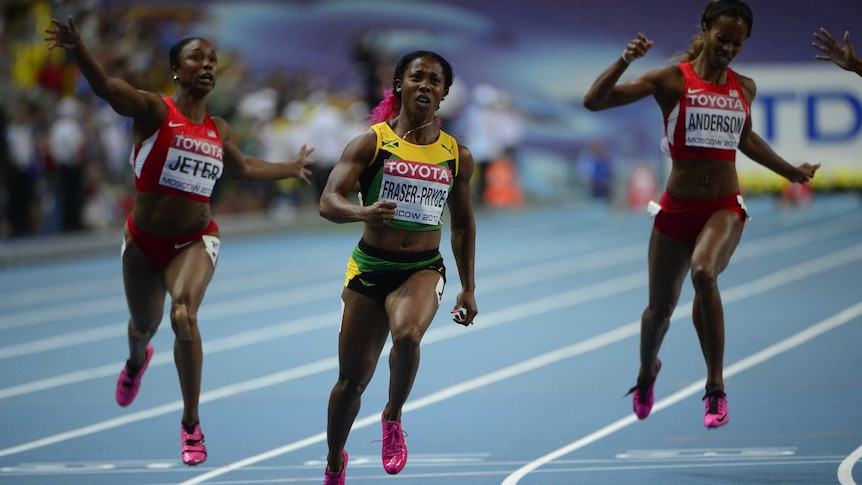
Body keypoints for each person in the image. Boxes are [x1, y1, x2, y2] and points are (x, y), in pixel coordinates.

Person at [44, 16, 314, 465]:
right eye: (196, 58)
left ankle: (190, 424)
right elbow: (108, 88)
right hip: (143, 243)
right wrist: (78, 49)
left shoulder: (219, 128)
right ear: (177, 70)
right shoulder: (153, 110)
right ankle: (135, 361)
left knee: (184, 314)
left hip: (195, 239)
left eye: (212, 60)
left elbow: (242, 166)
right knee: (143, 327)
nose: (207, 65)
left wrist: (288, 168)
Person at [583, 0, 820, 429]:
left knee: (704, 273)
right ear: (706, 31)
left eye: (738, 43)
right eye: (723, 38)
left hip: (724, 207)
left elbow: (744, 139)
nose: (729, 48)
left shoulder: (743, 87)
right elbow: (594, 102)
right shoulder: (672, 80)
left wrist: (790, 171)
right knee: (658, 312)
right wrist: (624, 61)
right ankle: (645, 373)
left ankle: (714, 388)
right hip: (676, 209)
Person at [319, 50, 477, 484]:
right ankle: (335, 461)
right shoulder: (371, 142)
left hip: (423, 267)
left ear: (444, 94)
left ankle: (392, 416)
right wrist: (363, 213)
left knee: (407, 335)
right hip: (370, 267)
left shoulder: (456, 155)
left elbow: (462, 223)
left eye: (434, 80)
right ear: (398, 86)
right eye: (416, 77)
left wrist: (468, 287)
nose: (425, 85)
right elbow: (328, 201)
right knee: (351, 382)